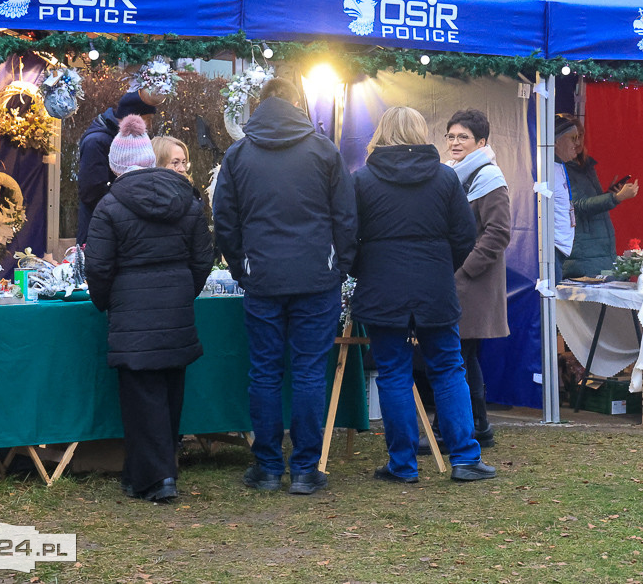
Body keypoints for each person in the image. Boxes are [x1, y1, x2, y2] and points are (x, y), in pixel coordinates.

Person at [212, 77, 357, 495]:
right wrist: (340, 266)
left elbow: (225, 220)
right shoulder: (323, 150)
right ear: (297, 104)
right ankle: (306, 469)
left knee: (265, 372)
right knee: (310, 372)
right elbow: (346, 217)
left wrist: (241, 268)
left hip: (262, 277)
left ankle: (269, 468)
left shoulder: (239, 154)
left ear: (259, 104)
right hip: (317, 277)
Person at [351, 106, 494, 483]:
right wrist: (441, 269)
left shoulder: (362, 180)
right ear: (420, 133)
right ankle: (465, 458)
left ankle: (402, 465)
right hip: (435, 289)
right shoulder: (446, 178)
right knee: (448, 369)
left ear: (382, 133)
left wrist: (364, 270)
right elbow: (465, 237)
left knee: (393, 374)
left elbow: (347, 239)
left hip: (382, 290)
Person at [84, 114, 213, 502]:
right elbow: (202, 258)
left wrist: (107, 301)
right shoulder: (187, 200)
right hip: (175, 308)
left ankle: (157, 479)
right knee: (171, 393)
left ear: (116, 166)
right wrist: (183, 292)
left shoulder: (109, 206)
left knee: (141, 398)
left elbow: (98, 267)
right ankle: (147, 473)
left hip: (132, 310)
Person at [424, 109, 509, 450]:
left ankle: (454, 428)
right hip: (457, 279)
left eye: (463, 137)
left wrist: (464, 270)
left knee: (459, 354)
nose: (455, 143)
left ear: (481, 142)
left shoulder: (489, 177)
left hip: (473, 282)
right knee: (462, 354)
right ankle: (476, 425)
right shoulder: (453, 173)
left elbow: (498, 233)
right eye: (451, 136)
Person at [558, 114, 639, 278]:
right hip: (583, 252)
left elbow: (587, 202)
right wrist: (615, 198)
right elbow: (578, 205)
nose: (578, 142)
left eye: (580, 136)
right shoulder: (562, 168)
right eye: (573, 138)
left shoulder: (586, 165)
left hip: (598, 248)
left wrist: (610, 194)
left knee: (616, 279)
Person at [77, 91, 158, 245]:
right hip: (99, 231)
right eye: (147, 119)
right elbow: (91, 193)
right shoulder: (96, 142)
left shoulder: (114, 137)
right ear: (132, 119)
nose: (150, 125)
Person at [552, 115, 578, 284]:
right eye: (573, 138)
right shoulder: (545, 169)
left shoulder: (560, 166)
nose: (577, 143)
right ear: (556, 141)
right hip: (551, 248)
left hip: (561, 248)